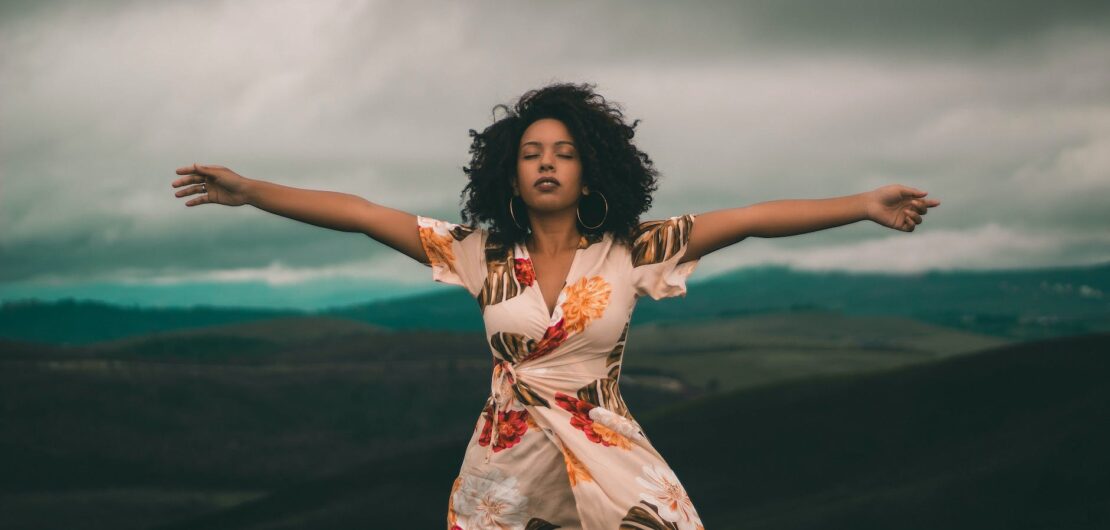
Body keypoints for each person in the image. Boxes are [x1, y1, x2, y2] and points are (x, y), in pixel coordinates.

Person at [171, 81, 939, 529]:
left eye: (565, 153)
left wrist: (863, 204)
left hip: (607, 449)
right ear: (509, 174)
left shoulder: (634, 248)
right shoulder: (479, 253)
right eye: (532, 153)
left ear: (590, 170)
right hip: (506, 463)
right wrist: (253, 191)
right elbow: (364, 214)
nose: (547, 164)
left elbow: (753, 218)